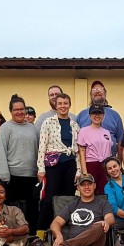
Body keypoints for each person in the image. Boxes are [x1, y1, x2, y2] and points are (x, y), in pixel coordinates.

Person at [0, 94, 39, 234]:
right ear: (11, 111)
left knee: (32, 210)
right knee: (11, 211)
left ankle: (31, 237)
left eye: (22, 109)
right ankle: (10, 237)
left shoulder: (33, 129)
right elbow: (1, 152)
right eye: (16, 109)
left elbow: (40, 150)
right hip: (12, 176)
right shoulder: (5, 128)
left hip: (32, 176)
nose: (20, 112)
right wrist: (5, 176)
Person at [37, 93, 81, 230]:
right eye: (60, 103)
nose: (63, 106)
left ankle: (65, 230)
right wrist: (41, 168)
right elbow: (42, 146)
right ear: (56, 105)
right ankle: (41, 232)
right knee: (50, 198)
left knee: (68, 198)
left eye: (65, 103)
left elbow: (79, 149)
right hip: (53, 165)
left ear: (69, 105)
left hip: (70, 164)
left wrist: (79, 169)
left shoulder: (74, 125)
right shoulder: (48, 122)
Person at [76, 80, 124, 157]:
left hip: (110, 162)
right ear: (90, 94)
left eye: (100, 89)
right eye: (94, 90)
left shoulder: (115, 115)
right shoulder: (81, 115)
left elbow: (121, 142)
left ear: (105, 93)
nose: (97, 92)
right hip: (87, 161)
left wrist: (119, 162)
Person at [77, 104, 112, 194]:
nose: (97, 116)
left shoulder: (106, 132)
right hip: (91, 165)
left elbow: (109, 151)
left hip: (105, 166)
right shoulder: (84, 131)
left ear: (103, 115)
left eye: (99, 113)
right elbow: (82, 152)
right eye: (94, 113)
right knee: (89, 192)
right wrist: (84, 172)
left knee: (105, 192)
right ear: (89, 116)